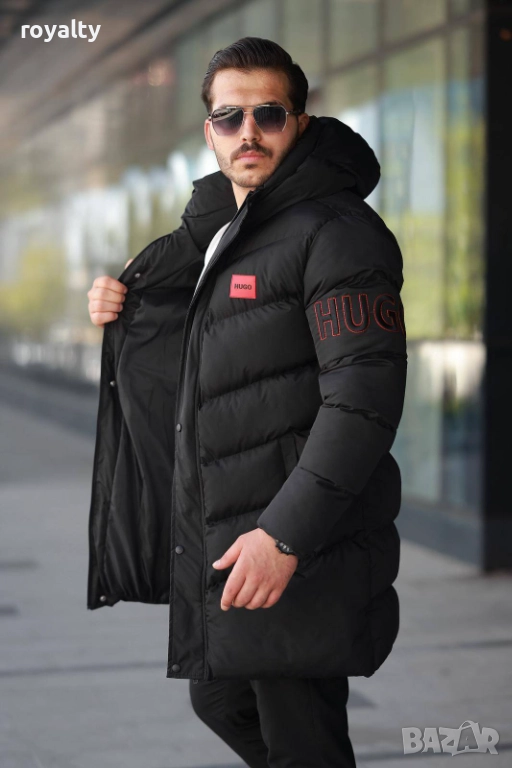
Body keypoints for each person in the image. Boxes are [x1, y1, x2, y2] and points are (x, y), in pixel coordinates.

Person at [87, 37, 407, 768]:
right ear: (209, 133)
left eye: (269, 114)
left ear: (299, 122)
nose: (248, 132)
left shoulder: (337, 233)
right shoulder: (224, 231)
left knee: (301, 736)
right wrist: (119, 297)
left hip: (293, 540)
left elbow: (363, 400)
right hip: (229, 533)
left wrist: (284, 537)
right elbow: (197, 325)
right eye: (230, 117)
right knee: (222, 699)